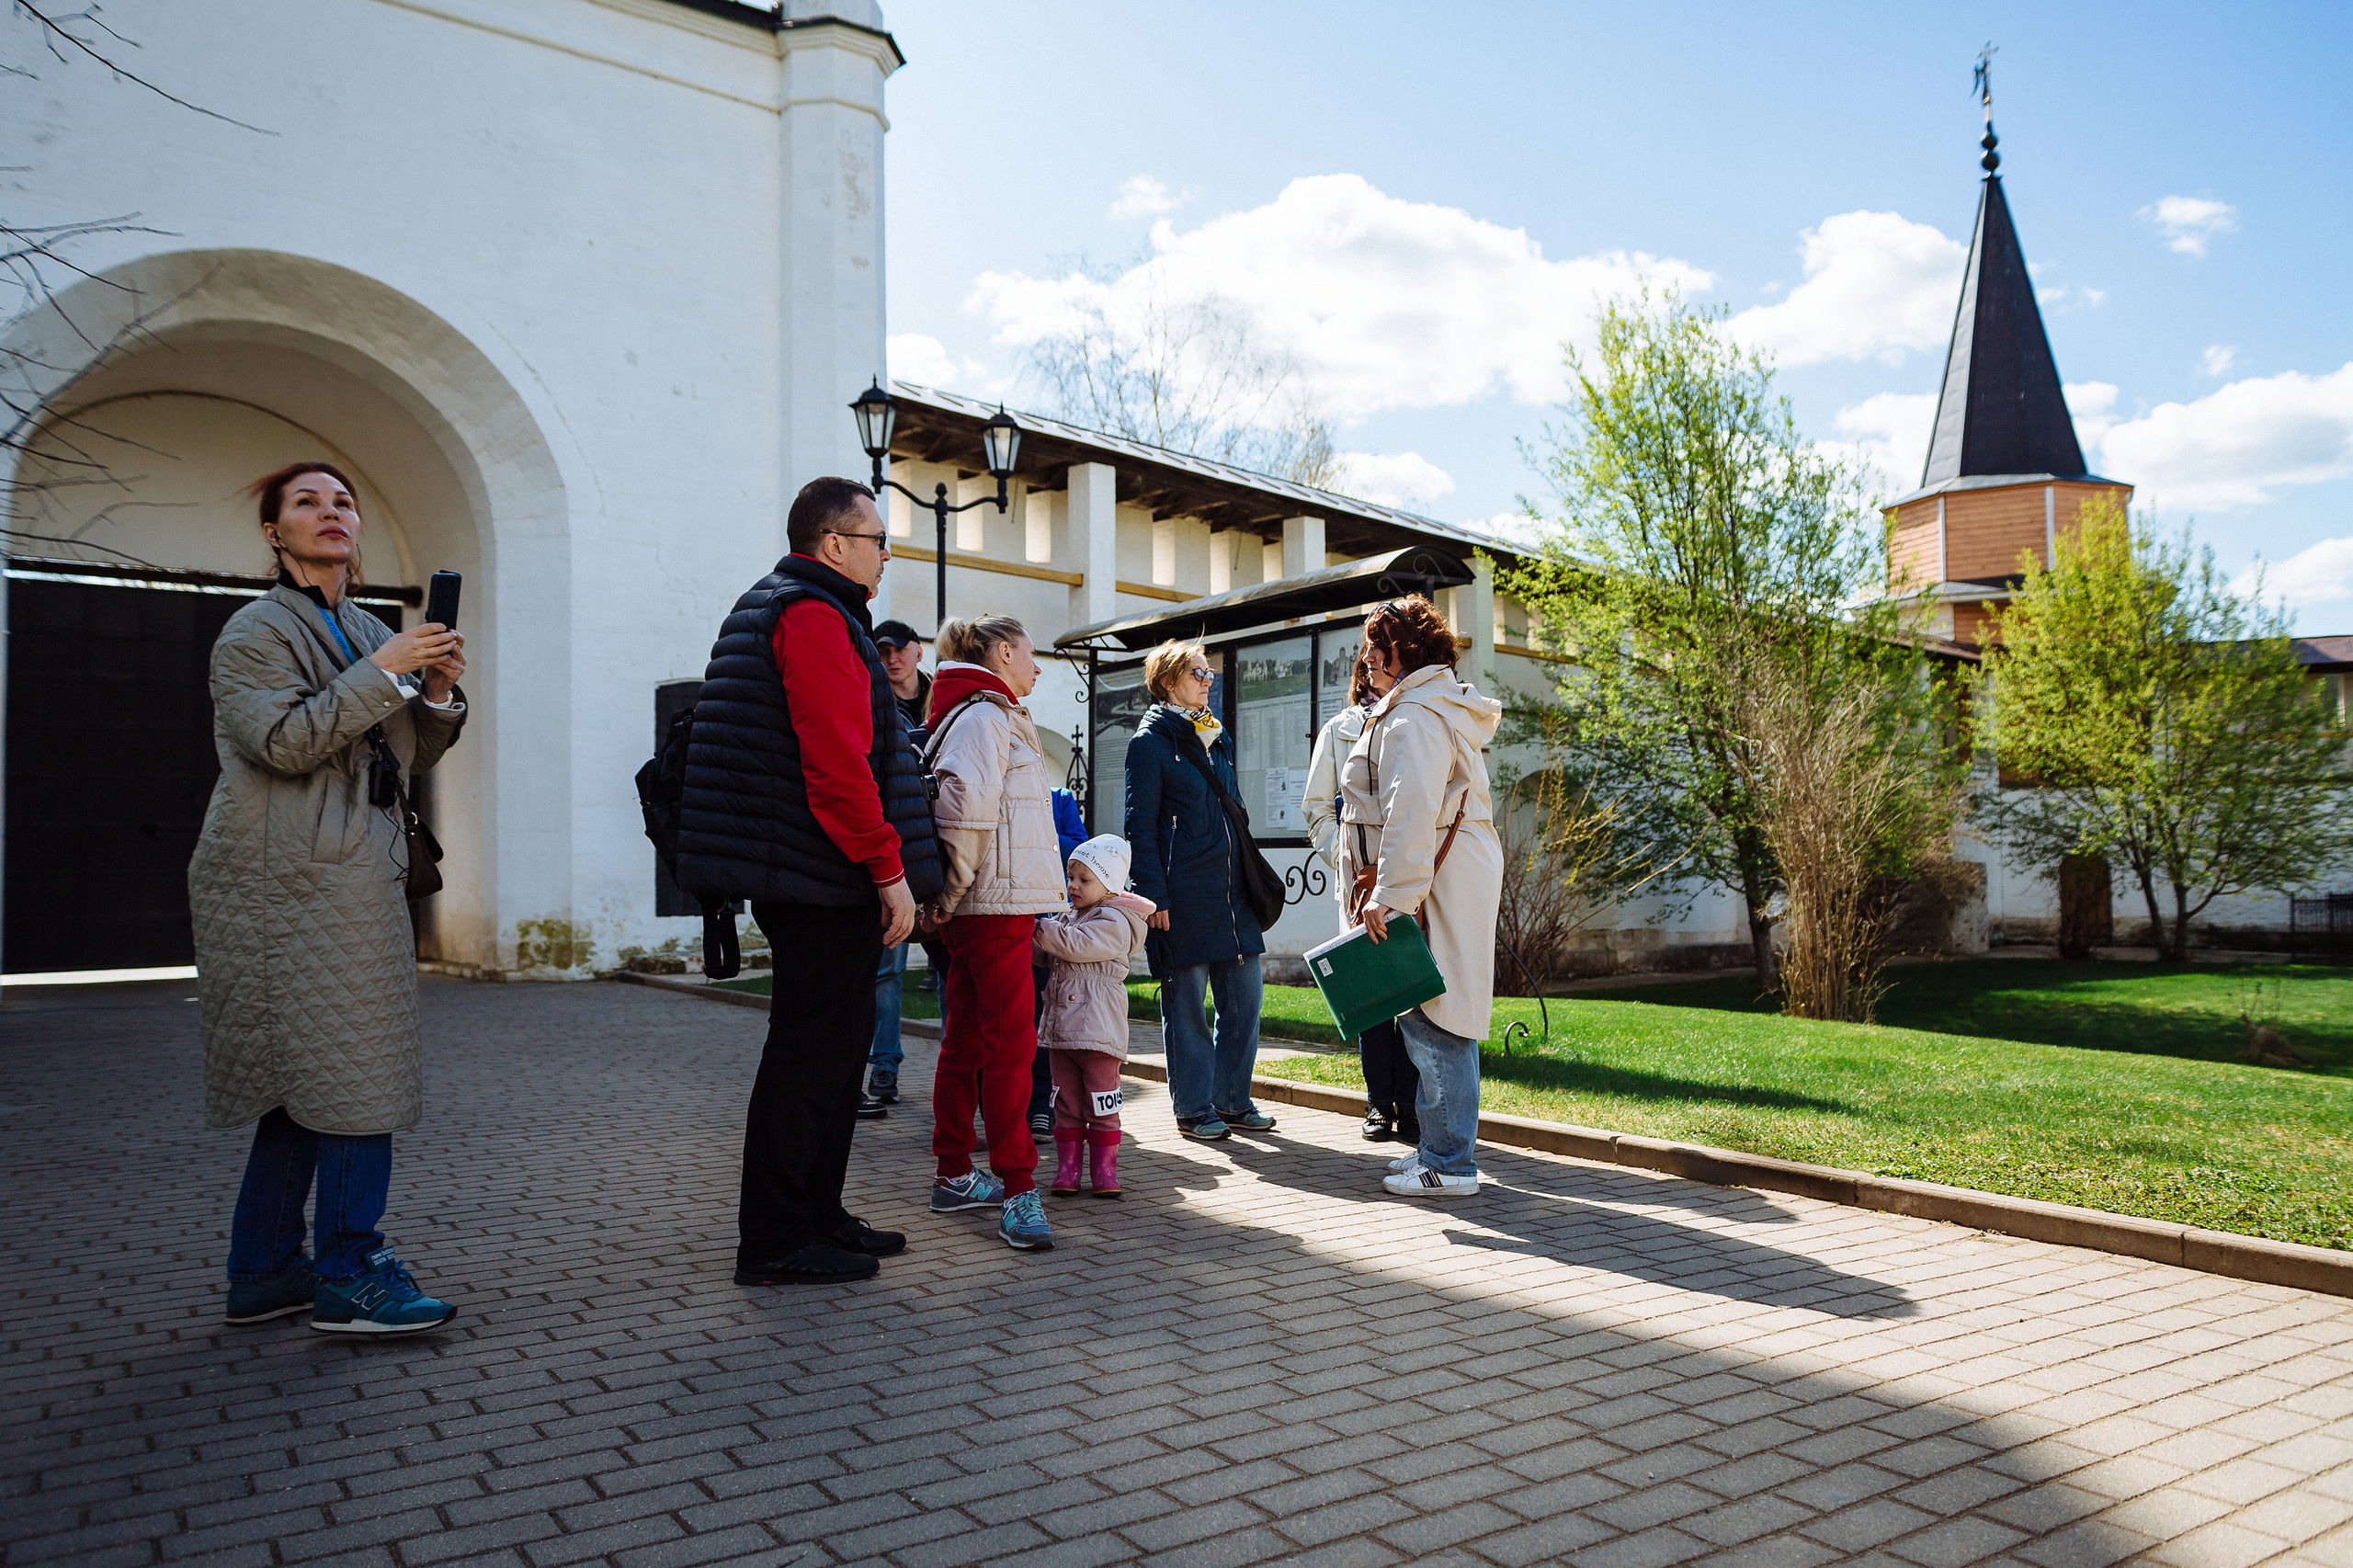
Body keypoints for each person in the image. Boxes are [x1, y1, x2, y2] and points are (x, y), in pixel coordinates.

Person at [193, 461, 468, 1335]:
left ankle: (265, 1270)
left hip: (349, 868)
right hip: (290, 881)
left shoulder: (357, 625)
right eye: (306, 502)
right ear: (275, 533)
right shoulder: (253, 633)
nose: (331, 512)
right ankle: (350, 1271)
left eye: (343, 500)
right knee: (357, 1074)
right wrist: (386, 667)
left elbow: (400, 757)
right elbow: (282, 741)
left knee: (305, 1083)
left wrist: (433, 691)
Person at [676, 477, 943, 1285]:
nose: (888, 554)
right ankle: (775, 1240)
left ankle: (818, 1214)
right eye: (877, 540)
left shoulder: (798, 605)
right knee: (808, 1058)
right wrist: (888, 870)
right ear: (835, 545)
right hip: (817, 876)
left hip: (807, 869)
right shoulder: (809, 612)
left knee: (834, 1053)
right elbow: (836, 763)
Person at [1342, 597, 1504, 1199]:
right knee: (1428, 1017)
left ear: (1399, 651)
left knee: (1438, 1020)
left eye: (1372, 647)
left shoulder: (1415, 716)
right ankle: (1438, 1151)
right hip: (1438, 881)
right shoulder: (1425, 707)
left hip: (1431, 886)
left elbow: (1412, 811)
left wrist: (1392, 895)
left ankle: (1451, 1163)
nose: (1365, 660)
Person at [921, 614, 1065, 1251]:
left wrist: (949, 897)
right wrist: (947, 896)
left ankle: (954, 1172)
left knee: (966, 1041)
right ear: (1004, 653)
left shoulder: (980, 713)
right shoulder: (985, 717)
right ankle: (1017, 1189)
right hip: (990, 908)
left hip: (985, 904)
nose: (1037, 668)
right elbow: (965, 813)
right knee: (1008, 1049)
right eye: (1032, 655)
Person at [1124, 640, 1272, 1142]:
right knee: (1186, 1006)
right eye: (1197, 673)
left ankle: (1232, 1099)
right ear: (1168, 682)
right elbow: (1139, 827)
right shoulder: (1149, 744)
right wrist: (1153, 896)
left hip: (1233, 894)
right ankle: (1192, 1106)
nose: (1208, 681)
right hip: (1182, 894)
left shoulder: (1215, 737)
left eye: (1210, 674)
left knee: (1245, 1002)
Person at [1305, 659, 1419, 1145]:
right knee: (1372, 996)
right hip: (1359, 885)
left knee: (1412, 993)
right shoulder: (1340, 729)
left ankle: (1412, 1107)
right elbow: (1316, 808)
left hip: (1408, 877)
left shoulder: (1415, 721)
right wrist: (1348, 861)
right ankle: (1378, 1102)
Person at [1032, 835, 1154, 1199]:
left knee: (1102, 1103)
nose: (1073, 886)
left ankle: (1104, 1172)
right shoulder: (1069, 916)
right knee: (1065, 1103)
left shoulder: (1113, 919)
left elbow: (1075, 946)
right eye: (1071, 877)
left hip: (1099, 1032)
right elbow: (1050, 954)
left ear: (1109, 884)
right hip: (1062, 1031)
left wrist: (1037, 927)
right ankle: (1068, 1170)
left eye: (1084, 880)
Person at [862, 619, 933, 1117]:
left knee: (955, 970)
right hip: (896, 853)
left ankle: (968, 1074)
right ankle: (885, 1063)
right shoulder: (871, 703)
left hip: (943, 854)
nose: (890, 659)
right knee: (887, 971)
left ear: (918, 653)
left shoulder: (946, 702)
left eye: (898, 650)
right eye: (882, 651)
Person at [1026, 783, 1090, 1142]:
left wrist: (1037, 835)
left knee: (1041, 1020)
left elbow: (1078, 851)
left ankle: (1040, 1108)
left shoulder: (1059, 798)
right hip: (1014, 916)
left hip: (1049, 924)